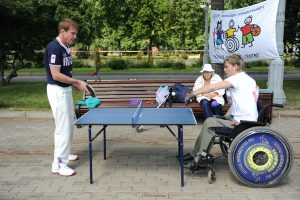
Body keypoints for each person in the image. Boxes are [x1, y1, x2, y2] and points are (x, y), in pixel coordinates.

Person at [184, 54, 259, 170]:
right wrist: (225, 117)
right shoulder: (250, 80)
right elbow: (239, 103)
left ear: (235, 66)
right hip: (249, 119)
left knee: (209, 123)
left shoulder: (236, 79)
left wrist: (193, 93)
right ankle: (195, 153)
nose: (224, 70)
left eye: (226, 67)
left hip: (242, 123)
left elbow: (212, 87)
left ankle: (199, 158)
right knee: (212, 120)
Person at [44, 18, 88, 176]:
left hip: (64, 90)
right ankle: (59, 164)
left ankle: (64, 154)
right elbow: (55, 75)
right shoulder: (54, 48)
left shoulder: (64, 47)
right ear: (62, 31)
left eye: (76, 33)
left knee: (67, 124)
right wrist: (76, 81)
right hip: (57, 92)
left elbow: (64, 72)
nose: (75, 36)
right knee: (63, 128)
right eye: (72, 33)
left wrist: (73, 84)